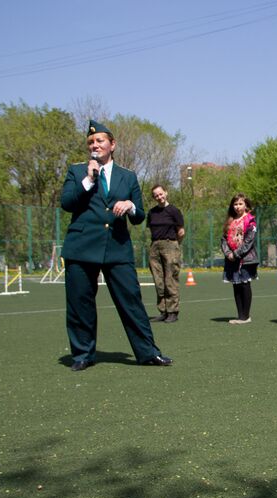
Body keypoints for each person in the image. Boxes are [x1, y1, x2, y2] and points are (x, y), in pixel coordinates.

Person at [60, 120, 172, 371]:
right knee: (80, 303)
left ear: (112, 145)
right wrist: (88, 181)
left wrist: (131, 206)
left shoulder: (128, 176)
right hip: (82, 247)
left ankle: (147, 352)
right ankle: (83, 355)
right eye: (91, 142)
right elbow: (67, 203)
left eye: (100, 141)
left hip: (117, 248)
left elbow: (140, 214)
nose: (95, 145)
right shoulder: (77, 171)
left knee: (131, 300)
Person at [147, 184, 185, 323]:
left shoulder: (174, 211)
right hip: (155, 246)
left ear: (166, 193)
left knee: (170, 280)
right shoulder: (151, 213)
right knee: (158, 281)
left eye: (161, 194)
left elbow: (181, 231)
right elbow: (150, 229)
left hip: (170, 245)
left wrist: (174, 245)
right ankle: (163, 311)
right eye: (156, 195)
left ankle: (173, 311)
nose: (159, 197)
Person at [221, 193, 259, 324]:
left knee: (244, 284)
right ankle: (240, 315)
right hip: (231, 259)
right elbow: (223, 239)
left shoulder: (250, 220)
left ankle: (246, 316)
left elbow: (249, 241)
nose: (237, 206)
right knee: (236, 285)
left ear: (246, 205)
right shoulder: (229, 221)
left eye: (240, 204)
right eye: (235, 204)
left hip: (246, 259)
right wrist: (228, 253)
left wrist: (236, 254)